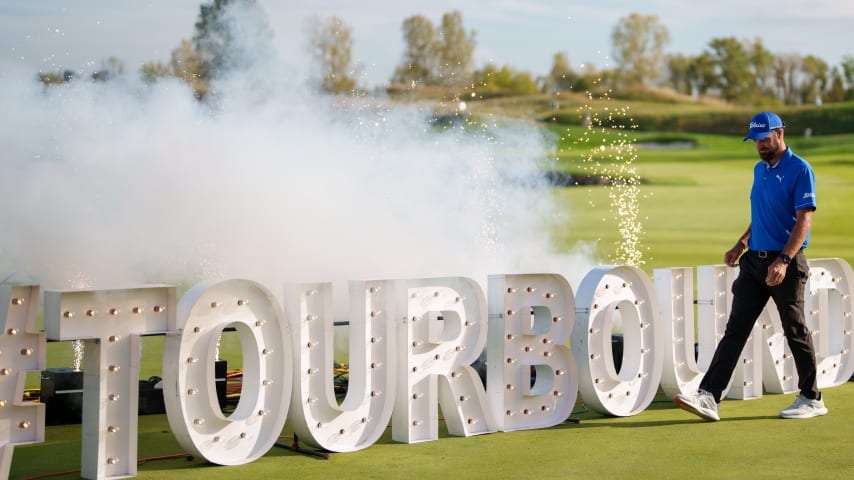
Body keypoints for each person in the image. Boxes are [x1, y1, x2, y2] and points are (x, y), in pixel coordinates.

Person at [674, 112, 827, 421]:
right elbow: (762, 213)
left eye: (765, 139)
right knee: (735, 330)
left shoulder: (800, 169)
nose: (759, 146)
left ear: (780, 133)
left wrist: (783, 260)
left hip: (785, 263)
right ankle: (708, 397)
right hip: (753, 263)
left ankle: (811, 398)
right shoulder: (760, 170)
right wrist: (741, 242)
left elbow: (804, 220)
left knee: (794, 330)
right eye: (755, 141)